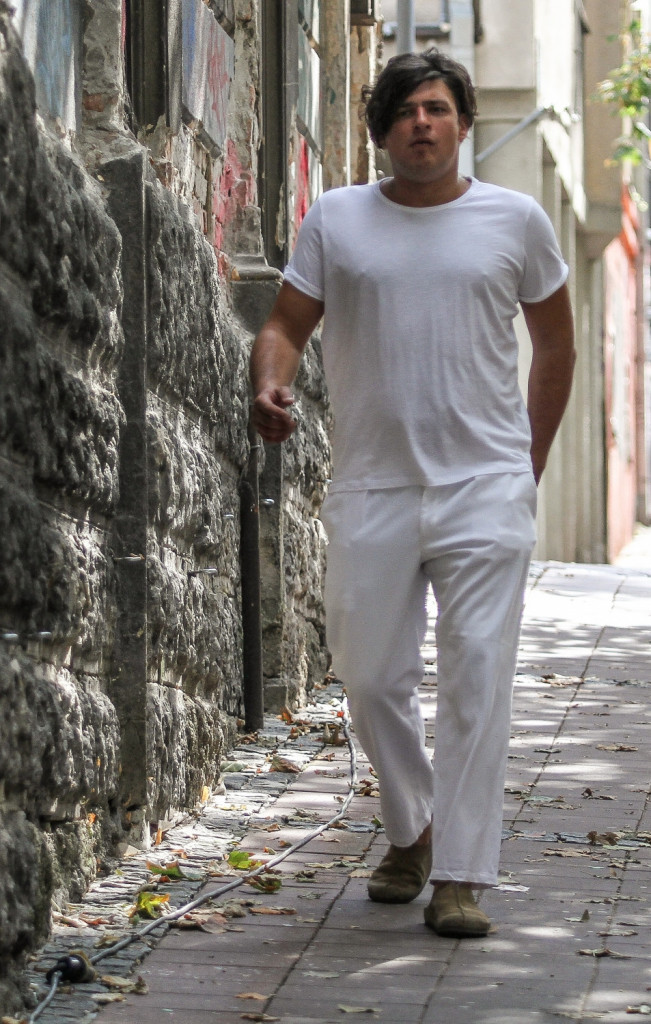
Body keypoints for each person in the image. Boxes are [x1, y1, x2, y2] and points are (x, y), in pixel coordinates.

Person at [250, 48, 575, 938]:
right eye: (402, 112)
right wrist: (269, 382)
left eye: (434, 108)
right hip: (372, 483)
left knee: (477, 678)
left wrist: (526, 463)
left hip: (485, 485)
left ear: (462, 123)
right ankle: (414, 829)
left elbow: (554, 343)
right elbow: (284, 325)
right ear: (381, 131)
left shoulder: (515, 220)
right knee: (368, 677)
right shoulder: (337, 217)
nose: (419, 124)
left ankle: (460, 875)